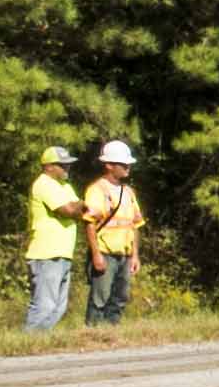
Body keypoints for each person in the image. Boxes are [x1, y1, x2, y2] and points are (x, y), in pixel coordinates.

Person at [80, 138, 146, 325]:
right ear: (109, 165)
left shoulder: (128, 192)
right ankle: (92, 334)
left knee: (120, 298)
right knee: (99, 298)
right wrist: (96, 255)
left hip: (124, 255)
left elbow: (135, 225)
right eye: (123, 164)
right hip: (105, 254)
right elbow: (90, 224)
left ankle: (110, 333)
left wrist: (135, 256)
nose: (128, 167)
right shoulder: (97, 190)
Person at [21, 142, 84, 332]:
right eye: (62, 164)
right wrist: (80, 206)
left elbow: (79, 211)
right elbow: (68, 209)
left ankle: (38, 345)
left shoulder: (64, 186)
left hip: (62, 253)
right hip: (46, 254)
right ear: (48, 166)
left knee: (58, 308)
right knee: (44, 306)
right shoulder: (43, 184)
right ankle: (26, 343)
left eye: (68, 164)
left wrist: (78, 207)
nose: (67, 167)